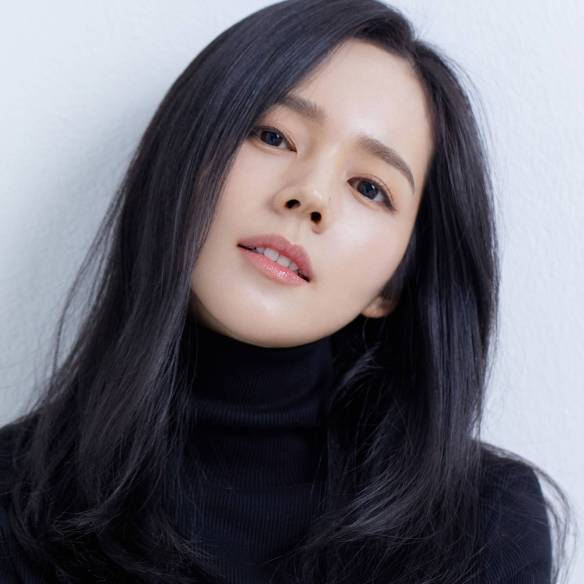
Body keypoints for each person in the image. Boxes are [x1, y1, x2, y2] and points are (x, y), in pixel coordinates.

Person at [0, 0, 574, 582]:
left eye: (370, 188)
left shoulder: (486, 528)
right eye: (273, 136)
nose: (310, 196)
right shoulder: (13, 502)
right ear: (181, 162)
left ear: (392, 285)